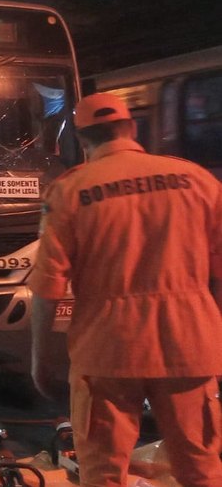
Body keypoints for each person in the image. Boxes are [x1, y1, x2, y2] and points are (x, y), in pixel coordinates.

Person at [29, 92, 222, 487]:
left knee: (103, 473)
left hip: (107, 352)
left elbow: (47, 290)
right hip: (189, 345)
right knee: (200, 468)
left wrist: (41, 361)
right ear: (132, 129)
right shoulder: (198, 180)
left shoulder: (70, 191)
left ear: (83, 139)